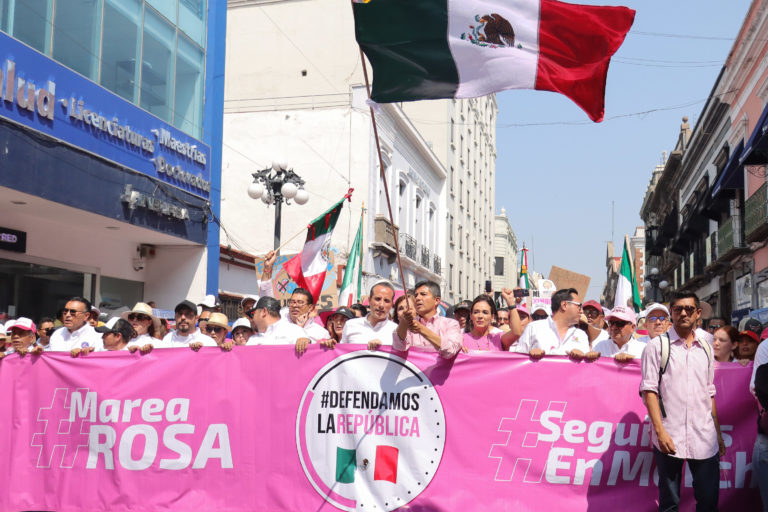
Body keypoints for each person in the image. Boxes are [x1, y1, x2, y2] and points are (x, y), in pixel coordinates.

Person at [640, 291, 725, 511]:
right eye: (678, 309)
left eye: (689, 309)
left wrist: (717, 432)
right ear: (671, 314)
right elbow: (649, 391)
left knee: (708, 501)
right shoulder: (657, 346)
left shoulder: (707, 345)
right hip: (670, 437)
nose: (683, 313)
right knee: (670, 503)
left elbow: (709, 392)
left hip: (704, 438)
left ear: (698, 313)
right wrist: (660, 432)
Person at [515, 288, 593, 360]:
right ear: (564, 305)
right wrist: (529, 355)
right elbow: (517, 360)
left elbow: (585, 369)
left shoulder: (581, 335)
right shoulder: (533, 328)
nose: (582, 311)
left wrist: (586, 358)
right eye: (579, 306)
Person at [393, 280, 461, 359]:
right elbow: (399, 347)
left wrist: (421, 329)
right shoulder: (409, 324)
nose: (418, 298)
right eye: (416, 295)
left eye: (423, 294)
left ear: (436, 300)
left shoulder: (451, 324)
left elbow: (450, 351)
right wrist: (404, 322)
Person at [342, 281, 398, 350]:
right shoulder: (350, 325)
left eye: (386, 301)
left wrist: (383, 349)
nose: (381, 305)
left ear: (392, 305)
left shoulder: (396, 331)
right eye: (377, 299)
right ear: (369, 300)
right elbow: (340, 354)